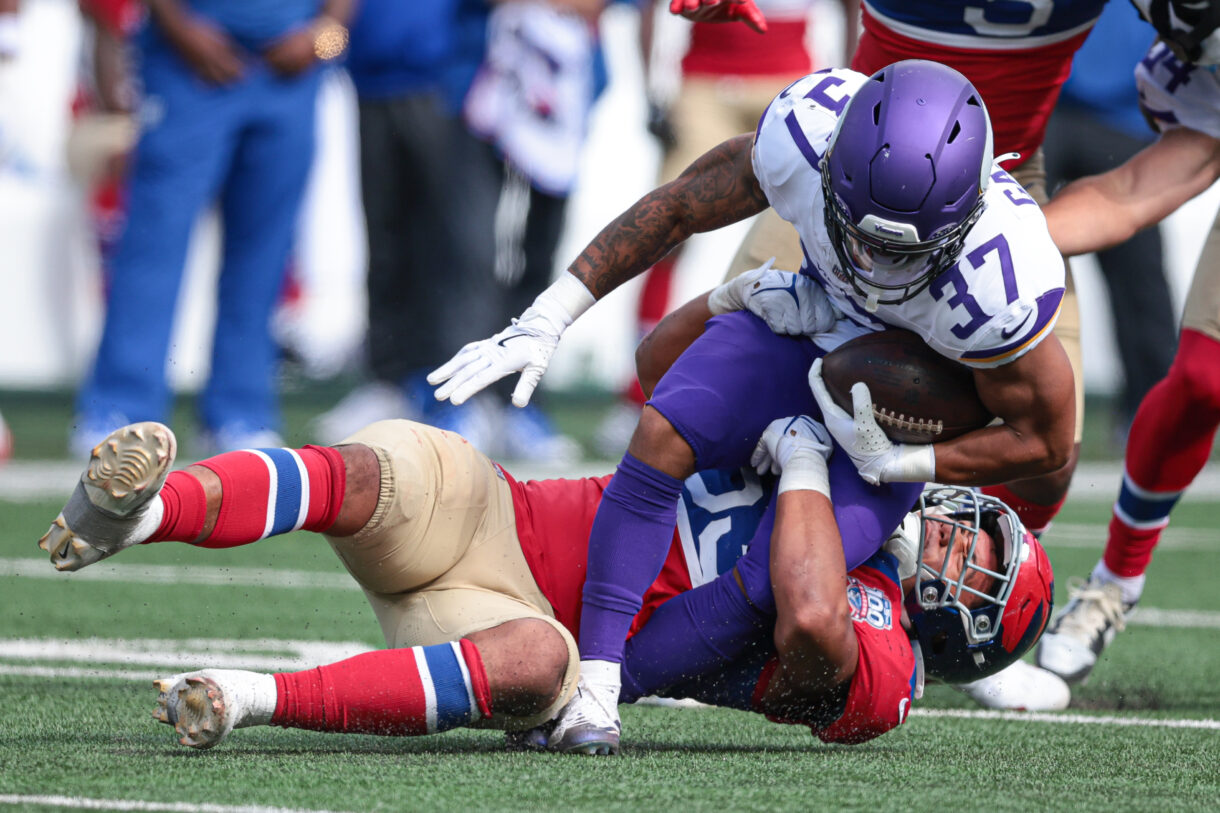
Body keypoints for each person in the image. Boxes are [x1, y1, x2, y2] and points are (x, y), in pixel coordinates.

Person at [428, 61, 1075, 741]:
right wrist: (553, 313)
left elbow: (1048, 443)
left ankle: (603, 694)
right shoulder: (805, 133)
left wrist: (908, 460)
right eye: (860, 233)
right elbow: (679, 204)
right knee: (662, 427)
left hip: (885, 412)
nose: (876, 268)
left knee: (778, 577)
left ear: (963, 220)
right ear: (831, 168)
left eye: (902, 252)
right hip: (804, 329)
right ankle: (595, 679)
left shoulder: (1000, 278)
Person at [37, 405, 1052, 752]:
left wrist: (800, 466)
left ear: (960, 632)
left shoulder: (886, 675)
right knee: (373, 470)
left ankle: (245, 701)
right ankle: (142, 513)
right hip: (505, 511)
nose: (958, 541)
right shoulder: (852, 453)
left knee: (537, 658)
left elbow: (805, 609)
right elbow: (677, 374)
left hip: (543, 647)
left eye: (976, 569)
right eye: (979, 535)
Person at [70, 0, 355, 458]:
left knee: (264, 251)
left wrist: (323, 40)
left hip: (291, 72)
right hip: (188, 64)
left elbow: (338, 20)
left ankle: (241, 412)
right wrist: (181, 30)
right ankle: (121, 409)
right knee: (154, 243)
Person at [1032, 3, 1220, 684]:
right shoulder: (1192, 56)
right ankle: (1116, 578)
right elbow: (1136, 188)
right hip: (1085, 121)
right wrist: (1001, 244)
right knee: (1203, 377)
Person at [595, 0, 852, 456]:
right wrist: (652, 91)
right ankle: (636, 396)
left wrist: (851, 84)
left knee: (813, 233)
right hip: (707, 80)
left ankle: (799, 387)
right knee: (665, 230)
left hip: (790, 83)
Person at [1042, 0, 1177, 442]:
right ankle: (985, 403)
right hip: (1047, 103)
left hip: (1127, 113)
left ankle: (1154, 417)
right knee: (997, 252)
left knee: (1141, 280)